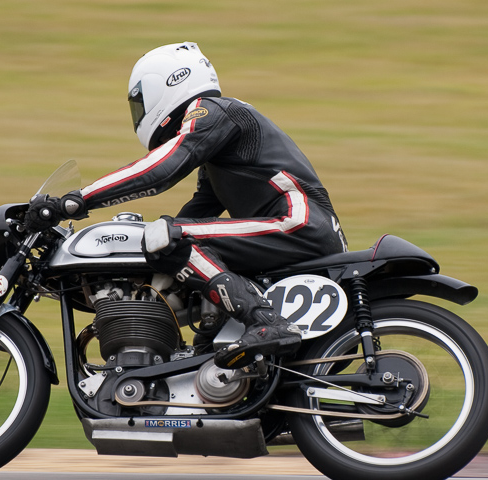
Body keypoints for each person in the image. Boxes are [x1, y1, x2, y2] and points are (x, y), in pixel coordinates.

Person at [25, 42, 348, 370]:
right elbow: (199, 210)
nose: (139, 113)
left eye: (140, 102)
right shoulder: (219, 150)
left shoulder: (210, 111)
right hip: (301, 229)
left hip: (297, 221)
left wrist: (78, 199)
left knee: (171, 238)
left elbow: (160, 170)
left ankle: (266, 321)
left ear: (168, 83)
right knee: (203, 335)